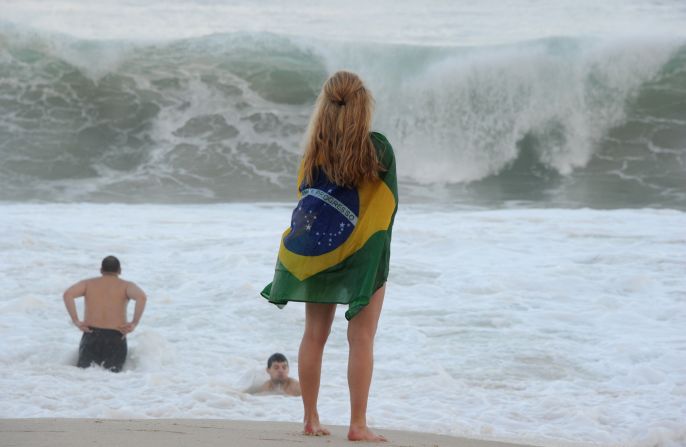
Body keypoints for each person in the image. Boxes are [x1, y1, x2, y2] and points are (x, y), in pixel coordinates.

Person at [261, 71, 398, 442]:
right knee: (362, 337)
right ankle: (357, 425)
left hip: (318, 254)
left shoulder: (315, 153)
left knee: (314, 336)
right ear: (362, 106)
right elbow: (386, 209)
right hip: (361, 258)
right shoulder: (379, 149)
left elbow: (307, 200)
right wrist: (375, 263)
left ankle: (310, 419)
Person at [62, 255, 147, 372]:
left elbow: (68, 294)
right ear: (119, 270)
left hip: (91, 335)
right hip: (116, 336)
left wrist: (76, 321)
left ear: (101, 270)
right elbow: (141, 297)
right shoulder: (127, 286)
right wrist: (134, 323)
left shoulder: (88, 284)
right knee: (112, 379)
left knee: (84, 376)